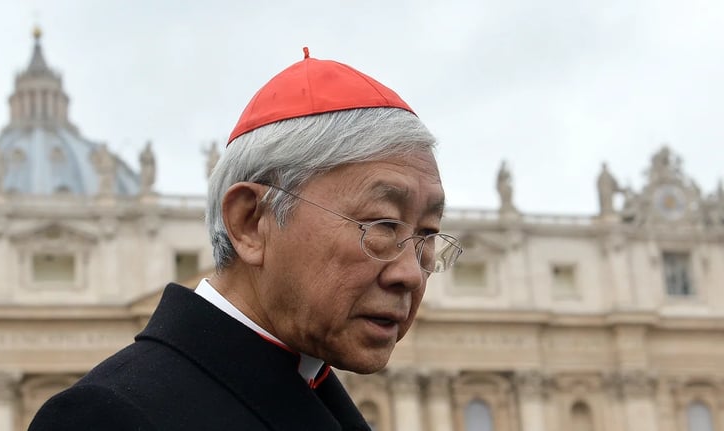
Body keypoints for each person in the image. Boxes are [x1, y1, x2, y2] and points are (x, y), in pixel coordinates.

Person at [29, 48, 463, 430]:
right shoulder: (106, 417)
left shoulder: (317, 389)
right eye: (382, 225)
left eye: (427, 233)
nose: (411, 274)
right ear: (251, 222)